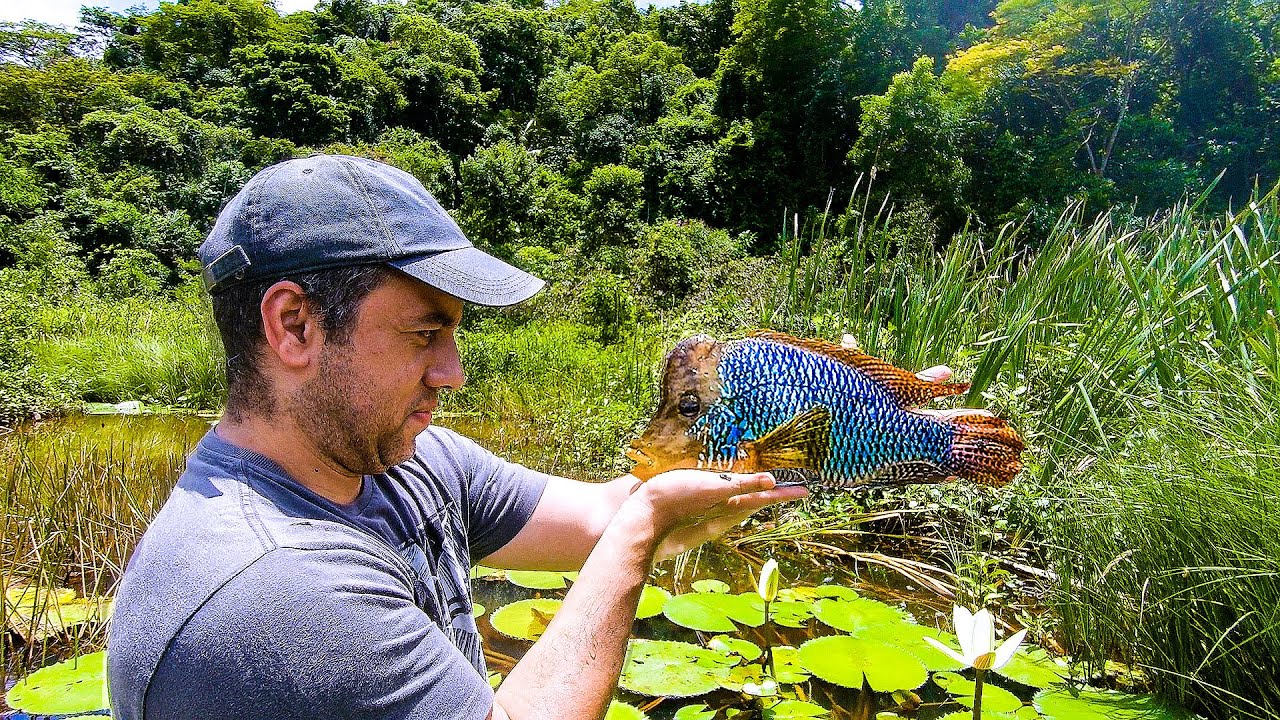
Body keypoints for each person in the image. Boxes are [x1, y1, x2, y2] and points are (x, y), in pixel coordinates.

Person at [105, 154, 808, 720]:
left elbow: (602, 513)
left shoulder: (406, 462)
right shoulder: (278, 589)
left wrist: (809, 438)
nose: (454, 372)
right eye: (424, 332)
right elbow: (629, 525)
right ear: (294, 326)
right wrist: (644, 528)